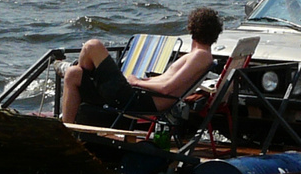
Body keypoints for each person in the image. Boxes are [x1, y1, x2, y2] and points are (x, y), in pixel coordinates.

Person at [62, 7, 224, 125]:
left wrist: (135, 82)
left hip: (137, 101)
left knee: (92, 46)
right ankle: (66, 133)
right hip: (137, 96)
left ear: (192, 29)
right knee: (73, 74)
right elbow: (163, 81)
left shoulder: (200, 55)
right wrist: (142, 81)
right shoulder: (197, 55)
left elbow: (167, 88)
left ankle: (83, 89)